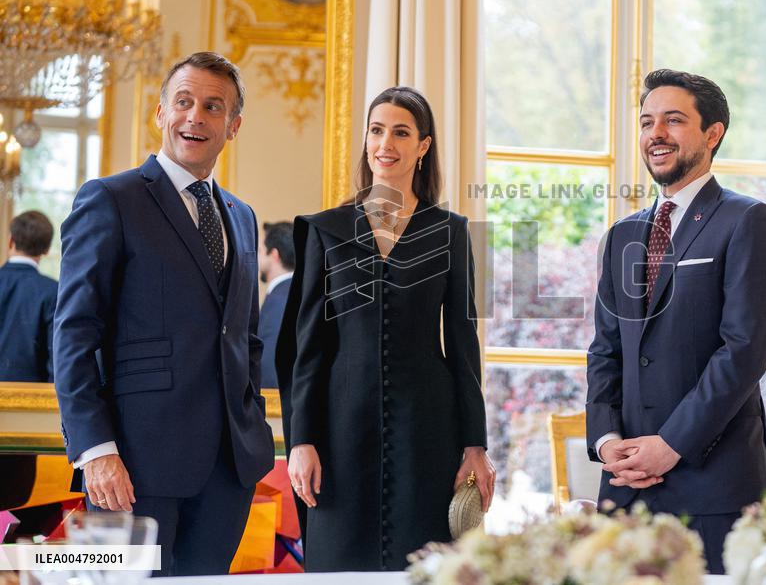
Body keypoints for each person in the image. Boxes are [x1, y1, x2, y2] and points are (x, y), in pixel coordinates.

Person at [53, 52, 274, 576]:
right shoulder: (110, 199)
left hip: (229, 471)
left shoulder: (242, 218)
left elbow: (245, 337)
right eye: (184, 101)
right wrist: (95, 449)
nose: (196, 116)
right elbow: (74, 334)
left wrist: (252, 426)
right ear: (160, 113)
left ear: (233, 126)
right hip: (133, 465)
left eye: (213, 107)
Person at [276, 86, 495, 572]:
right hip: (338, 430)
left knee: (426, 567)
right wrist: (302, 439)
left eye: (401, 132)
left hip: (428, 431)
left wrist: (475, 445)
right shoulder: (324, 230)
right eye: (376, 131)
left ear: (423, 145)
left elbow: (463, 344)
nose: (385, 144)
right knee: (338, 566)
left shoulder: (450, 232)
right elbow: (306, 348)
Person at [586, 68, 766, 574]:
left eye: (673, 121)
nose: (656, 133)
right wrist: (608, 441)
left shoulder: (748, 221)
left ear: (712, 133)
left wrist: (671, 445)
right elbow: (606, 350)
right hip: (627, 487)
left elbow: (743, 352)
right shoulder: (623, 234)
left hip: (713, 486)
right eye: (647, 121)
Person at [0, 210, 58, 382]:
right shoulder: (53, 291)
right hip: (30, 399)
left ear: (10, 241)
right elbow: (56, 356)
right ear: (47, 249)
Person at [258, 221, 295, 389]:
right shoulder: (293, 293)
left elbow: (270, 366)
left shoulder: (280, 301)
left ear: (274, 255)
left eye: (259, 251)